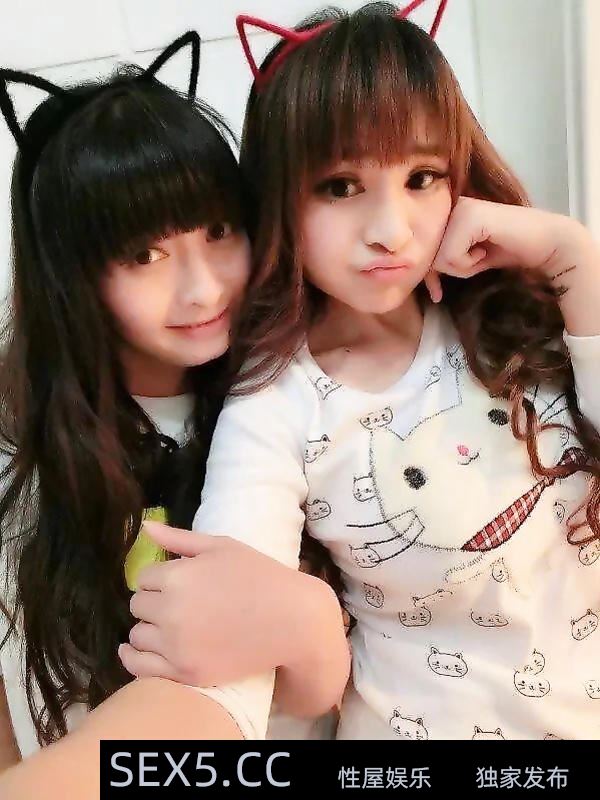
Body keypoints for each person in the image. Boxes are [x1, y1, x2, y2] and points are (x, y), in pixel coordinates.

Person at [125, 2, 600, 740]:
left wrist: (572, 253)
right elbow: (239, 657)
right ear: (280, 195)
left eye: (422, 177)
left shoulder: (512, 305)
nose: (390, 231)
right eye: (340, 186)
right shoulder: (276, 405)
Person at [0, 29, 349, 790]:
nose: (202, 288)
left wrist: (310, 625)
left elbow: (328, 690)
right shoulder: (25, 456)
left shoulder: (291, 396)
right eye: (143, 255)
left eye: (218, 231)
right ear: (73, 278)